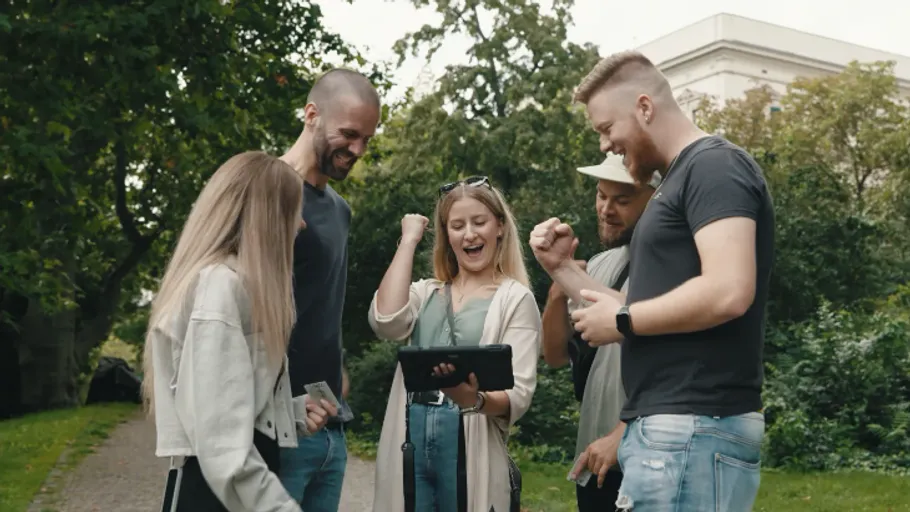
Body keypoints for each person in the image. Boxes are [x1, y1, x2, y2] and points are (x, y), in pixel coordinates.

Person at [537, 50, 775, 511]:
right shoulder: (676, 181)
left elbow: (729, 290)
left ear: (644, 107)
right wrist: (561, 267)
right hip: (673, 432)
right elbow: (639, 306)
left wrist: (622, 319)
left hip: (694, 429)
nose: (604, 145)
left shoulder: (714, 166)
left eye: (607, 128)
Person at [142, 151, 334, 511]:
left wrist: (290, 412)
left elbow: (226, 402)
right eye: (294, 211)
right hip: (216, 494)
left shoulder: (237, 287)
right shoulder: (220, 288)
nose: (301, 224)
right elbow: (222, 446)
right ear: (268, 218)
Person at [368, 176, 541, 512]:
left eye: (479, 222)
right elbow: (386, 322)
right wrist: (408, 241)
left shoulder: (516, 299)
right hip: (410, 434)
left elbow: (518, 394)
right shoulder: (425, 292)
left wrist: (473, 399)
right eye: (457, 226)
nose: (469, 234)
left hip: (468, 435)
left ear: (500, 227)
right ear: (447, 236)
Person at [277, 68, 381, 511]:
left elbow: (318, 298)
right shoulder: (267, 191)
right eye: (349, 134)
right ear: (311, 115)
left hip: (330, 423)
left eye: (367, 140)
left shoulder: (341, 210)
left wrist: (336, 365)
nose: (357, 150)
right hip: (278, 427)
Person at [534, 153, 658, 512]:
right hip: (594, 461)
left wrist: (625, 433)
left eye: (622, 200)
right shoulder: (602, 264)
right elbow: (555, 355)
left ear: (656, 200)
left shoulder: (671, 264)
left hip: (649, 457)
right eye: (602, 195)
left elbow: (672, 348)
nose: (606, 209)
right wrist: (559, 290)